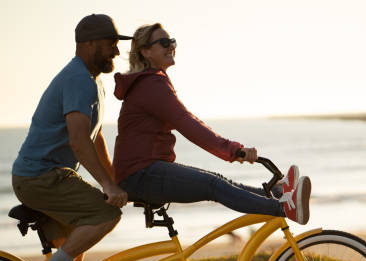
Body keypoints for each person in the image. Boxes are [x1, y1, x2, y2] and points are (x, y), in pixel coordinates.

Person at [12, 14, 131, 261]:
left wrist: (115, 180)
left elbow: (95, 139)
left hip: (46, 175)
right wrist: (108, 188)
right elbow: (79, 142)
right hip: (42, 176)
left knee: (72, 250)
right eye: (111, 43)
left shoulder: (91, 81)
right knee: (104, 216)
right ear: (90, 44)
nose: (116, 50)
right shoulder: (78, 79)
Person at [112, 23, 311, 224]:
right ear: (145, 51)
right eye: (163, 43)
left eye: (172, 41)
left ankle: (276, 193)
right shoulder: (151, 85)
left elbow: (188, 120)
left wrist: (232, 151)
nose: (171, 46)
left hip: (144, 171)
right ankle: (285, 208)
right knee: (213, 185)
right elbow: (187, 123)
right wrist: (233, 150)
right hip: (141, 175)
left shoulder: (151, 82)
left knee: (218, 180)